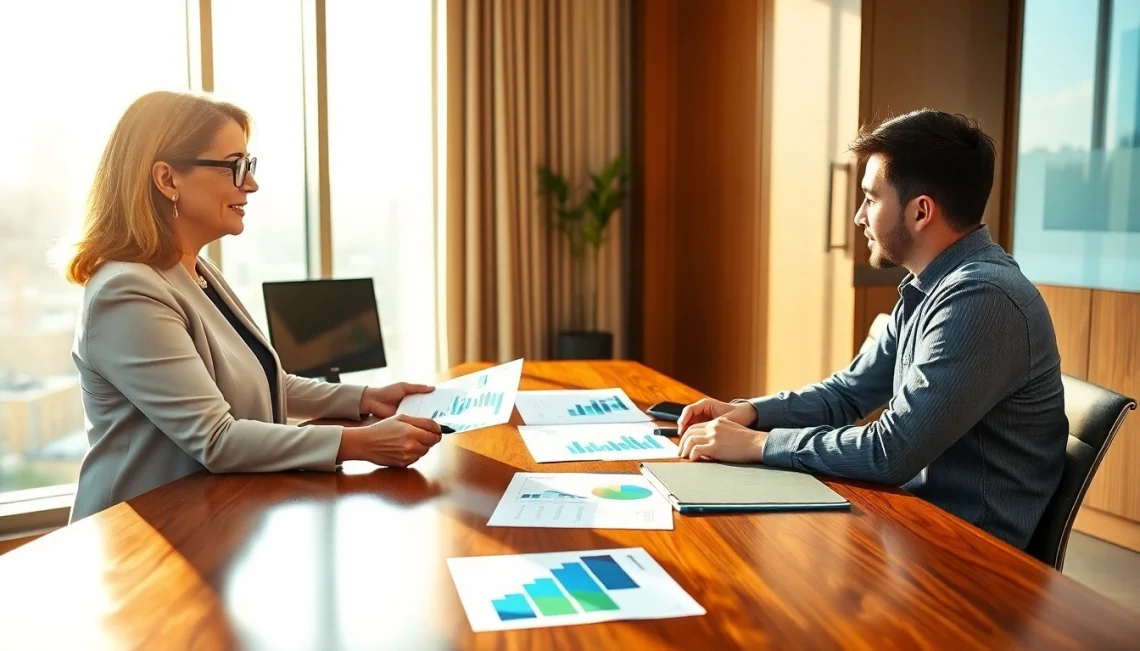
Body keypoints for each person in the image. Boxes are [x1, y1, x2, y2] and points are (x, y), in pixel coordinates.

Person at [677, 110, 1067, 550]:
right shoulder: (933, 287)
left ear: (921, 212)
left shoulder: (982, 298)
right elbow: (847, 394)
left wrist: (757, 445)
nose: (859, 217)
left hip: (966, 558)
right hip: (909, 527)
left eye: (871, 198)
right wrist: (750, 413)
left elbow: (891, 451)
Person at [65, 91, 444, 522]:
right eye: (234, 167)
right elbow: (216, 438)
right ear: (167, 179)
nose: (250, 184)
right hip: (142, 540)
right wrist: (360, 443)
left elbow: (266, 383)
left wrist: (367, 399)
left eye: (250, 166)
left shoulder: (193, 269)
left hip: (211, 519)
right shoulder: (126, 292)